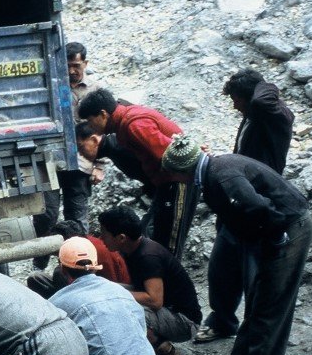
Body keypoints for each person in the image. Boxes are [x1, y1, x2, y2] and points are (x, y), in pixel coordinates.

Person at [161, 134, 312, 355]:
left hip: (288, 229)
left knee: (270, 307)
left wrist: (276, 236)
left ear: (181, 171)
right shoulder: (212, 172)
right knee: (256, 302)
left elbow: (257, 206)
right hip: (274, 230)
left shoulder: (222, 176)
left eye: (172, 175)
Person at [197, 69, 295, 344]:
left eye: (237, 99)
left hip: (259, 205)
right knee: (222, 267)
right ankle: (223, 321)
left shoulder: (275, 116)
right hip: (239, 200)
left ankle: (256, 332)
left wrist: (262, 84)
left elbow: (263, 100)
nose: (234, 106)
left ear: (250, 96)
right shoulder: (252, 118)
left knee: (254, 272)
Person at [79, 88, 197, 257]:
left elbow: (169, 154)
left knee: (169, 243)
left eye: (91, 122)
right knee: (158, 235)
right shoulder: (126, 122)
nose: (92, 128)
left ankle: (167, 280)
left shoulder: (133, 125)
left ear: (103, 114)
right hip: (166, 184)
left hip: (176, 182)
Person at [97, 205, 202, 355]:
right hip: (169, 311)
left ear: (121, 238)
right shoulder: (133, 248)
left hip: (185, 321)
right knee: (109, 290)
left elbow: (154, 300)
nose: (101, 238)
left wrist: (115, 294)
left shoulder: (147, 256)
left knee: (124, 310)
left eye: (104, 234)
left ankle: (168, 353)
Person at [32, 42, 108, 268]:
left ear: (85, 63)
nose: (72, 71)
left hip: (81, 164)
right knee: (47, 214)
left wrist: (100, 164)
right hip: (50, 164)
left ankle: (80, 263)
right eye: (68, 66)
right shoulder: (51, 87)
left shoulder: (95, 91)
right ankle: (41, 262)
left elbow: (102, 130)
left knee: (77, 216)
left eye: (77, 65)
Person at [26, 218, 131, 299]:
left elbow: (111, 283)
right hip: (81, 284)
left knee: (59, 273)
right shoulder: (77, 247)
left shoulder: (98, 250)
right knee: (35, 278)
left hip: (104, 289)